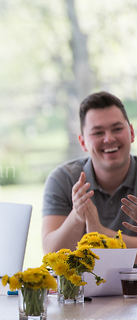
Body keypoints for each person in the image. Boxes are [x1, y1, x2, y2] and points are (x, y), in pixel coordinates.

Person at [42, 91, 137, 253]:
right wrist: (77, 216)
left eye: (117, 129)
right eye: (98, 133)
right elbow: (51, 253)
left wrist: (100, 233)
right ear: (83, 142)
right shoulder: (63, 179)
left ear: (132, 133)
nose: (109, 139)